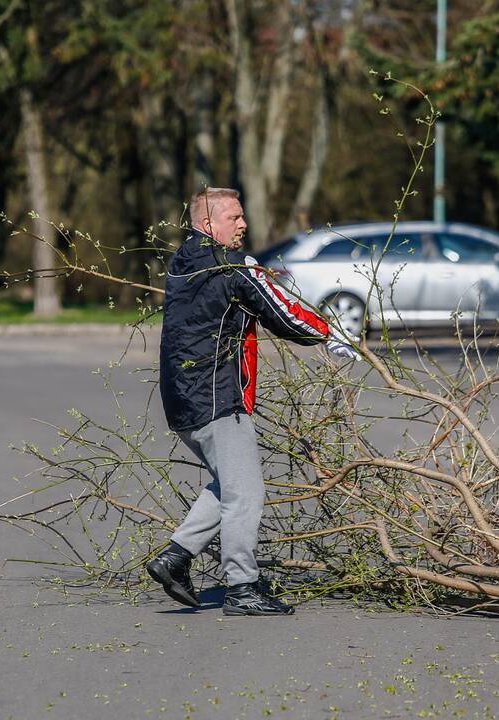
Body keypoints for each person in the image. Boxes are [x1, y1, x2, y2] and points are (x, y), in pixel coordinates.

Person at [147, 187, 358, 615]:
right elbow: (280, 309)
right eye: (234, 218)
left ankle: (176, 557)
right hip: (217, 396)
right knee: (246, 494)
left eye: (243, 217)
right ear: (208, 224)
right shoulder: (232, 266)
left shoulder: (184, 262)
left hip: (182, 399)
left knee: (229, 485)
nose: (243, 225)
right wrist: (328, 334)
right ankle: (242, 588)